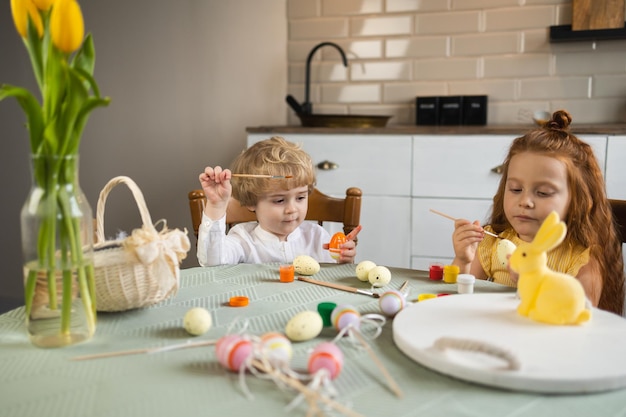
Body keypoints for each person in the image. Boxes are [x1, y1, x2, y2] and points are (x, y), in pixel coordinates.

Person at [451, 110, 625, 315]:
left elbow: (578, 316)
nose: (525, 201)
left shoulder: (582, 258)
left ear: (577, 200)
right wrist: (463, 260)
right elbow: (458, 302)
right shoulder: (493, 242)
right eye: (515, 189)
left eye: (543, 193)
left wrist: (530, 284)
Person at [196, 136, 358, 266]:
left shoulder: (317, 237)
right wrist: (216, 205)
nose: (292, 209)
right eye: (280, 200)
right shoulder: (243, 239)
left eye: (300, 197)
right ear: (252, 201)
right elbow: (212, 262)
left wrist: (344, 261)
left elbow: (333, 279)